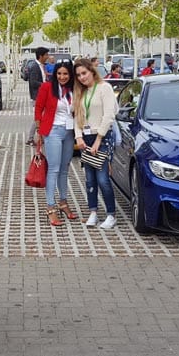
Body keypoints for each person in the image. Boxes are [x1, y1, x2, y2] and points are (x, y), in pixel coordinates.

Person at [72, 59, 119, 229]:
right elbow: (77, 116)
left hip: (103, 138)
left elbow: (109, 115)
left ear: (92, 71)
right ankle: (93, 212)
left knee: (103, 179)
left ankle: (111, 214)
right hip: (86, 138)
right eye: (78, 75)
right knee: (89, 179)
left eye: (84, 73)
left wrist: (99, 139)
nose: (82, 77)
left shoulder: (104, 88)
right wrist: (78, 137)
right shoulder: (80, 92)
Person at [34, 59, 77, 226]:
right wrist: (39, 130)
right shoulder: (47, 87)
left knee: (65, 169)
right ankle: (50, 206)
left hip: (69, 131)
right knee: (54, 168)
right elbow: (38, 108)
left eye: (65, 73)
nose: (62, 76)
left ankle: (63, 202)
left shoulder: (74, 89)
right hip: (52, 130)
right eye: (59, 73)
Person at [25, 47, 50, 146]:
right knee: (38, 118)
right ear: (41, 56)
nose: (48, 57)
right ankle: (30, 138)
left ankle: (41, 137)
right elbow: (33, 82)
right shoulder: (35, 66)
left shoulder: (41, 66)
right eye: (46, 55)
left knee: (41, 117)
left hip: (42, 95)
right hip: (37, 96)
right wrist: (45, 85)